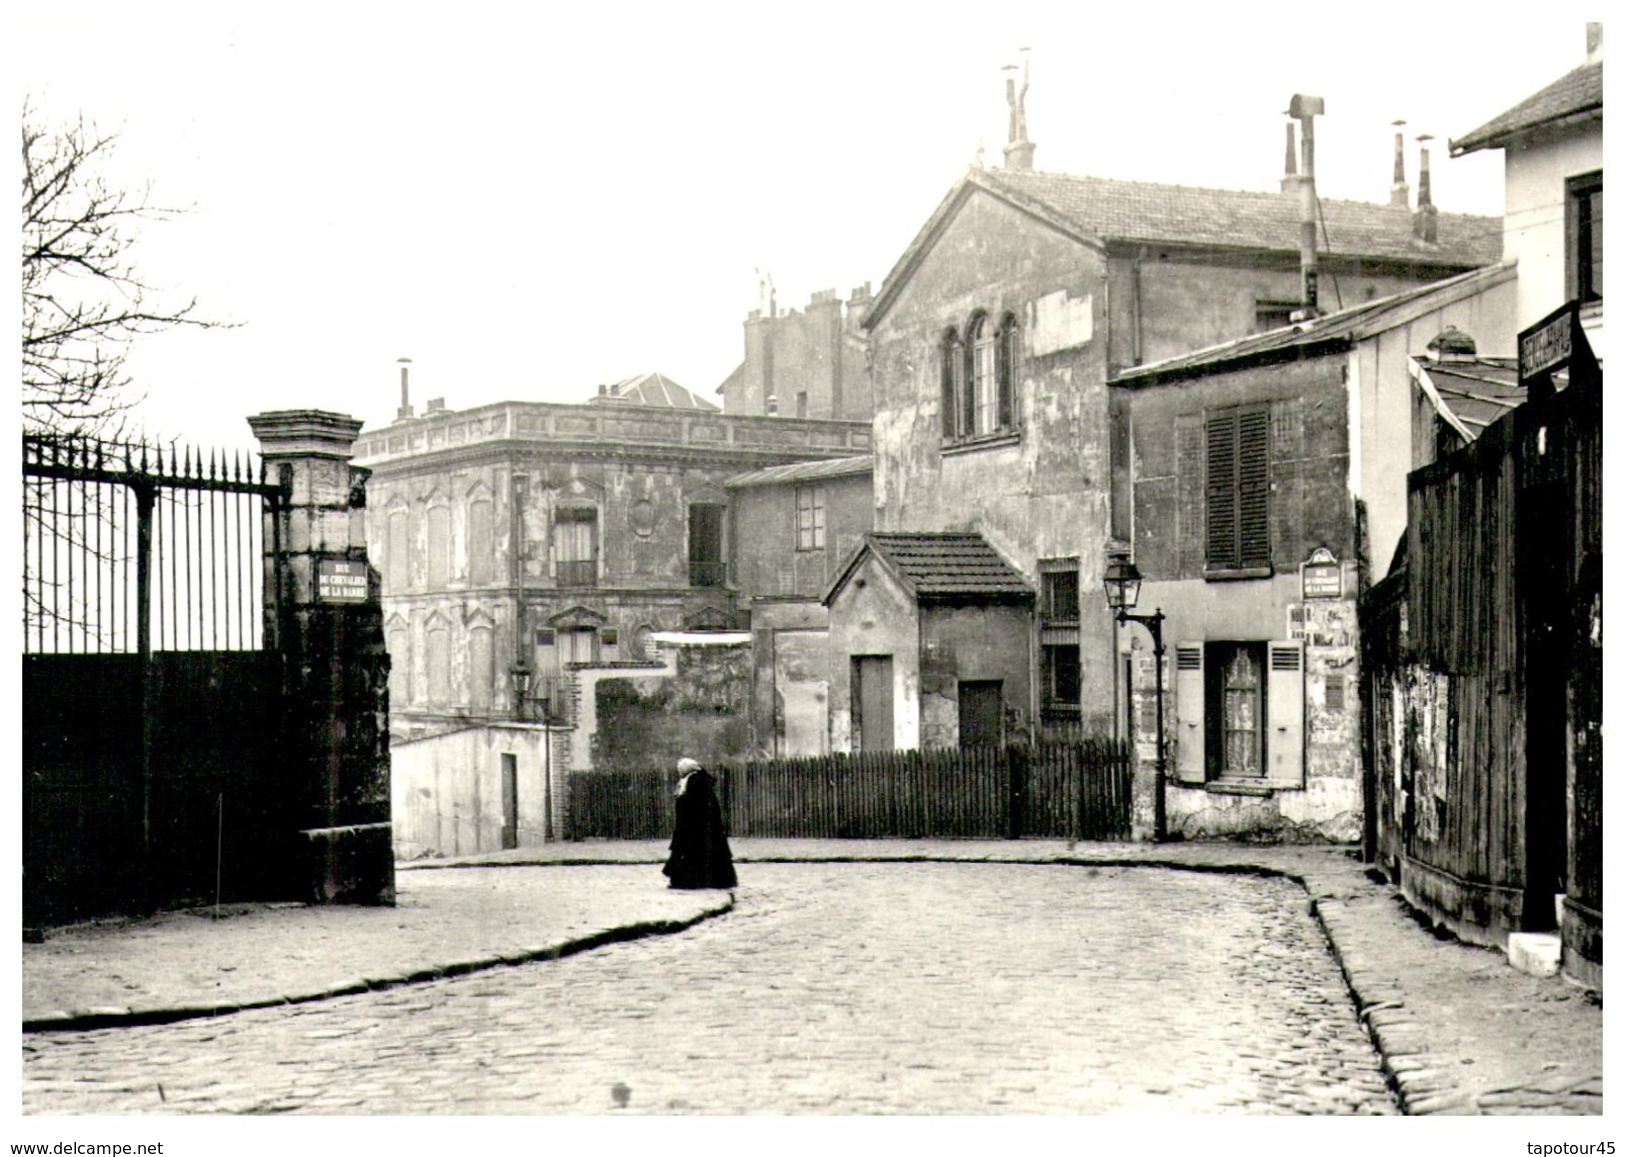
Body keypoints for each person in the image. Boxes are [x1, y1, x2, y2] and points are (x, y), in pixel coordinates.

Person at [662, 757, 737, 890]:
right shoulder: (694, 780)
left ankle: (690, 881)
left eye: (681, 767)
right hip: (697, 826)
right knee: (704, 852)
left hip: (695, 827)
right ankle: (710, 880)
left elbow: (692, 804)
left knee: (693, 852)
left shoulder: (694, 780)